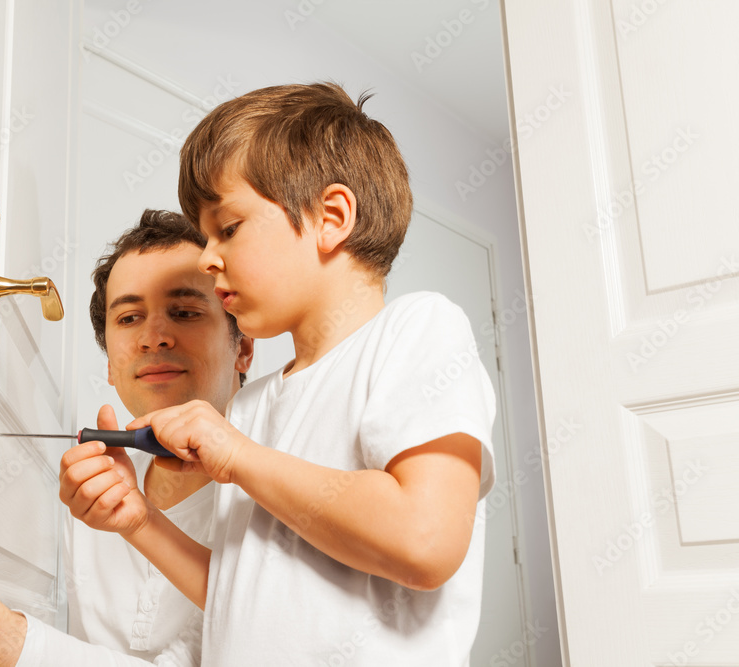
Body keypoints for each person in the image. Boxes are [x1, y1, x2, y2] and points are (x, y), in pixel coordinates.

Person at [62, 82, 497, 665]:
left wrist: (240, 457)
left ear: (331, 217)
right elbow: (239, 598)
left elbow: (426, 539)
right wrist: (138, 523)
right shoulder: (253, 407)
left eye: (228, 227)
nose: (208, 256)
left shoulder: (418, 330)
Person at [0, 210, 253, 665]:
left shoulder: (277, 489)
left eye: (184, 312)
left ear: (242, 347)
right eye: (128, 318)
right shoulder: (96, 482)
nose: (153, 337)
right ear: (109, 363)